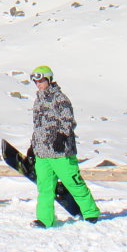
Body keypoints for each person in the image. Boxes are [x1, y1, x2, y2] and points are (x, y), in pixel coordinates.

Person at [28, 66, 100, 227]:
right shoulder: (38, 100)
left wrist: (61, 136)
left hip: (61, 153)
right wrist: (33, 146)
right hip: (43, 153)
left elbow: (68, 120)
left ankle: (90, 212)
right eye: (36, 81)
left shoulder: (60, 98)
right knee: (45, 187)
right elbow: (38, 126)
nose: (38, 84)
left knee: (73, 183)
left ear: (49, 79)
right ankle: (45, 219)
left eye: (40, 80)